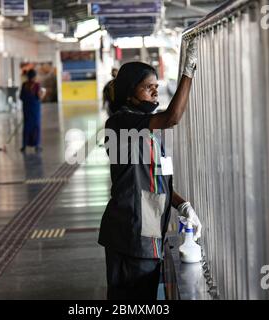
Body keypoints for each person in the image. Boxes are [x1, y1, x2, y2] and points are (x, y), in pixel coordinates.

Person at [98, 37, 202, 300]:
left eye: (156, 86)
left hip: (149, 228)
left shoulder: (146, 129)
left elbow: (155, 177)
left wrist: (182, 205)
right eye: (148, 88)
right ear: (130, 92)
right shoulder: (121, 123)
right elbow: (172, 118)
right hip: (131, 231)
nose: (155, 92)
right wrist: (187, 73)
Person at [19, 69, 45, 153]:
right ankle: (37, 145)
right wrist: (43, 94)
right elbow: (39, 97)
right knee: (36, 127)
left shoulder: (24, 85)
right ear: (34, 76)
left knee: (26, 127)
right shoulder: (37, 85)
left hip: (26, 109)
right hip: (35, 109)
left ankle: (24, 145)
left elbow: (21, 97)